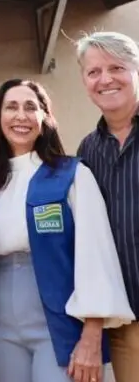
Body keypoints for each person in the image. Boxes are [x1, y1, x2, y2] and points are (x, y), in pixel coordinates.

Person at [0, 78, 134, 382]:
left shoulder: (72, 173)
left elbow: (96, 255)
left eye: (30, 107)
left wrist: (91, 336)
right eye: (11, 107)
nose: (21, 116)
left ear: (45, 118)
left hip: (60, 324)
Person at [75, 31, 139, 382]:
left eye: (117, 67)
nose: (105, 79)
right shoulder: (88, 151)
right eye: (94, 72)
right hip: (127, 319)